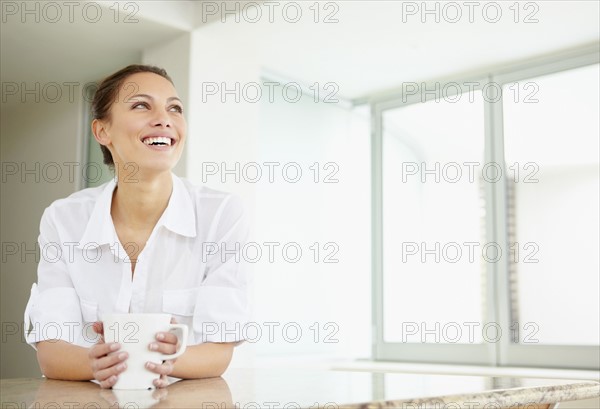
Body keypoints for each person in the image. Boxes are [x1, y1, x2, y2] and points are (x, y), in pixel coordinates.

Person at [23, 65, 250, 388]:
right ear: (103, 132)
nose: (164, 118)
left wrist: (170, 359)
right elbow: (51, 353)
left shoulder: (221, 213)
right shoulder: (64, 219)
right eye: (142, 105)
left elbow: (220, 350)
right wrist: (94, 362)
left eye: (174, 107)